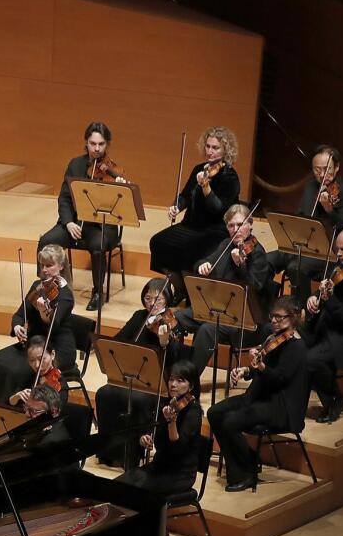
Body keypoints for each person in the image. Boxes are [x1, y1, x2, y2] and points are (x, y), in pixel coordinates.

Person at [208, 296, 309, 492]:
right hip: (259, 396)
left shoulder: (297, 347)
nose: (274, 321)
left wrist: (262, 366)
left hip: (280, 406)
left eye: (280, 318)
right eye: (273, 316)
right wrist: (246, 370)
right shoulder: (273, 339)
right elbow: (260, 369)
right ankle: (249, 459)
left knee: (231, 422)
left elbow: (279, 379)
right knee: (214, 412)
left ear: (294, 318)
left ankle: (245, 474)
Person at [92, 278, 187, 466]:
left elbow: (176, 360)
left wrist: (164, 342)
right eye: (147, 298)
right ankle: (109, 452)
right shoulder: (138, 317)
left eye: (158, 299)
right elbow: (118, 340)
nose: (152, 303)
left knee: (138, 400)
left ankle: (133, 455)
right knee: (104, 394)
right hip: (131, 378)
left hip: (156, 385)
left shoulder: (173, 324)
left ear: (167, 300)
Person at [172, 203, 271, 378]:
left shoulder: (258, 254)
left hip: (242, 317)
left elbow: (254, 291)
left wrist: (241, 266)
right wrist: (202, 265)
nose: (236, 229)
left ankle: (188, 381)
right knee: (177, 318)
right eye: (231, 225)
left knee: (207, 330)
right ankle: (175, 368)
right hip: (216, 308)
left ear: (250, 225)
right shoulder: (226, 245)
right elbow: (202, 262)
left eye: (240, 224)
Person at [37, 121, 125, 311]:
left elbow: (120, 209)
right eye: (93, 144)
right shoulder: (75, 165)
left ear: (107, 145)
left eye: (101, 144)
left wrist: (121, 188)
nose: (97, 149)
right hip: (75, 223)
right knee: (46, 240)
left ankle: (97, 292)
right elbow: (64, 198)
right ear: (86, 143)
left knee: (98, 246)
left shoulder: (113, 172)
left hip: (100, 226)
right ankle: (46, 286)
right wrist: (68, 222)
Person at [149, 126, 241, 302]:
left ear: (226, 150)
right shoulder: (199, 168)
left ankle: (194, 296)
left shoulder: (229, 177)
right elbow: (185, 195)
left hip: (214, 230)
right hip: (190, 225)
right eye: (208, 146)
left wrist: (206, 187)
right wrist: (176, 206)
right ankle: (181, 288)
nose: (210, 151)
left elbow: (218, 209)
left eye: (215, 148)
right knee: (158, 242)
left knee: (190, 249)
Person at [0, 243, 75, 403]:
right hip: (34, 344)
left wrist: (44, 312)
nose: (44, 270)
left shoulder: (65, 295)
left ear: (61, 266)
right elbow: (19, 315)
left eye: (49, 265)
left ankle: (17, 410)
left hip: (56, 347)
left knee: (17, 371)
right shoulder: (38, 288)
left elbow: (54, 325)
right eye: (42, 265)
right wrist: (17, 327)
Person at [267, 145, 343, 302]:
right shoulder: (310, 187)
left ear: (336, 168)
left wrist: (330, 210)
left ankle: (302, 315)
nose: (322, 175)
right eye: (317, 170)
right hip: (301, 245)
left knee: (295, 267)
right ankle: (268, 306)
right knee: (266, 260)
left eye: (327, 169)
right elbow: (300, 217)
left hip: (327, 253)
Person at [304, 227, 343, 424]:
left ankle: (335, 400)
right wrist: (313, 300)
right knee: (294, 340)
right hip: (328, 328)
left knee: (311, 359)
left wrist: (328, 298)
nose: (339, 254)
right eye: (337, 249)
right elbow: (325, 294)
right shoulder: (338, 267)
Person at [116, 361, 205, 496]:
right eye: (171, 379)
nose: (173, 384)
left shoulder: (194, 412)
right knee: (118, 484)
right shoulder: (165, 404)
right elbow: (153, 433)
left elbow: (177, 448)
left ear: (191, 386)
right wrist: (144, 437)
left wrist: (171, 422)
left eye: (180, 381)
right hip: (159, 466)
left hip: (180, 474)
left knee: (134, 492)